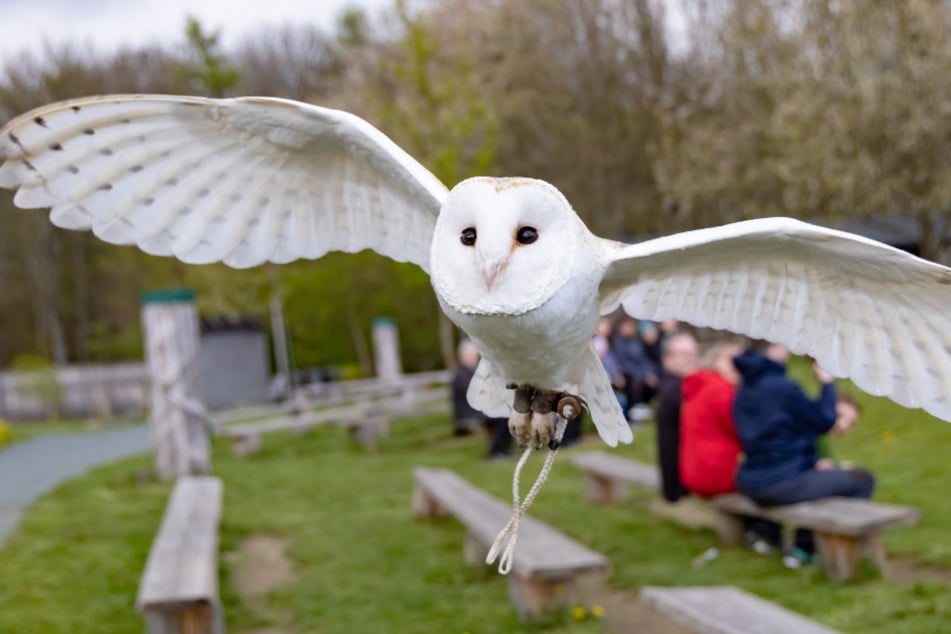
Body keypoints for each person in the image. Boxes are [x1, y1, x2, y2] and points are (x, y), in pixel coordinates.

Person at [732, 342, 875, 565]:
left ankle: (782, 540)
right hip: (777, 483)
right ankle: (815, 550)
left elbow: (777, 438)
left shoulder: (746, 388)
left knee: (826, 480)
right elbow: (823, 420)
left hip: (750, 479)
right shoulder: (782, 388)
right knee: (862, 480)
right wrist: (827, 382)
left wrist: (812, 463)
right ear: (773, 346)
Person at [679, 342, 744, 496]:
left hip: (693, 472)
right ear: (714, 361)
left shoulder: (701, 384)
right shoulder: (721, 390)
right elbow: (742, 432)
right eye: (730, 359)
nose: (737, 364)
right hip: (716, 475)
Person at [654, 331, 698, 502]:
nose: (691, 358)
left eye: (693, 353)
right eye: (684, 354)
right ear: (667, 359)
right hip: (680, 484)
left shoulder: (680, 386)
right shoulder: (674, 390)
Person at [452, 340, 511, 458]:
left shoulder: (470, 370)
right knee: (504, 416)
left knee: (507, 412)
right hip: (470, 411)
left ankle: (505, 449)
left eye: (475, 354)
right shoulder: (461, 373)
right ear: (464, 356)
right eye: (472, 355)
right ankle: (496, 452)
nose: (475, 357)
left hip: (478, 407)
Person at [611, 316, 658, 413]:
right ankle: (635, 409)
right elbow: (623, 363)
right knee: (634, 383)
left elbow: (644, 359)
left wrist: (649, 373)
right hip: (628, 374)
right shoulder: (617, 342)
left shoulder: (635, 341)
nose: (630, 329)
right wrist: (641, 375)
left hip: (641, 372)